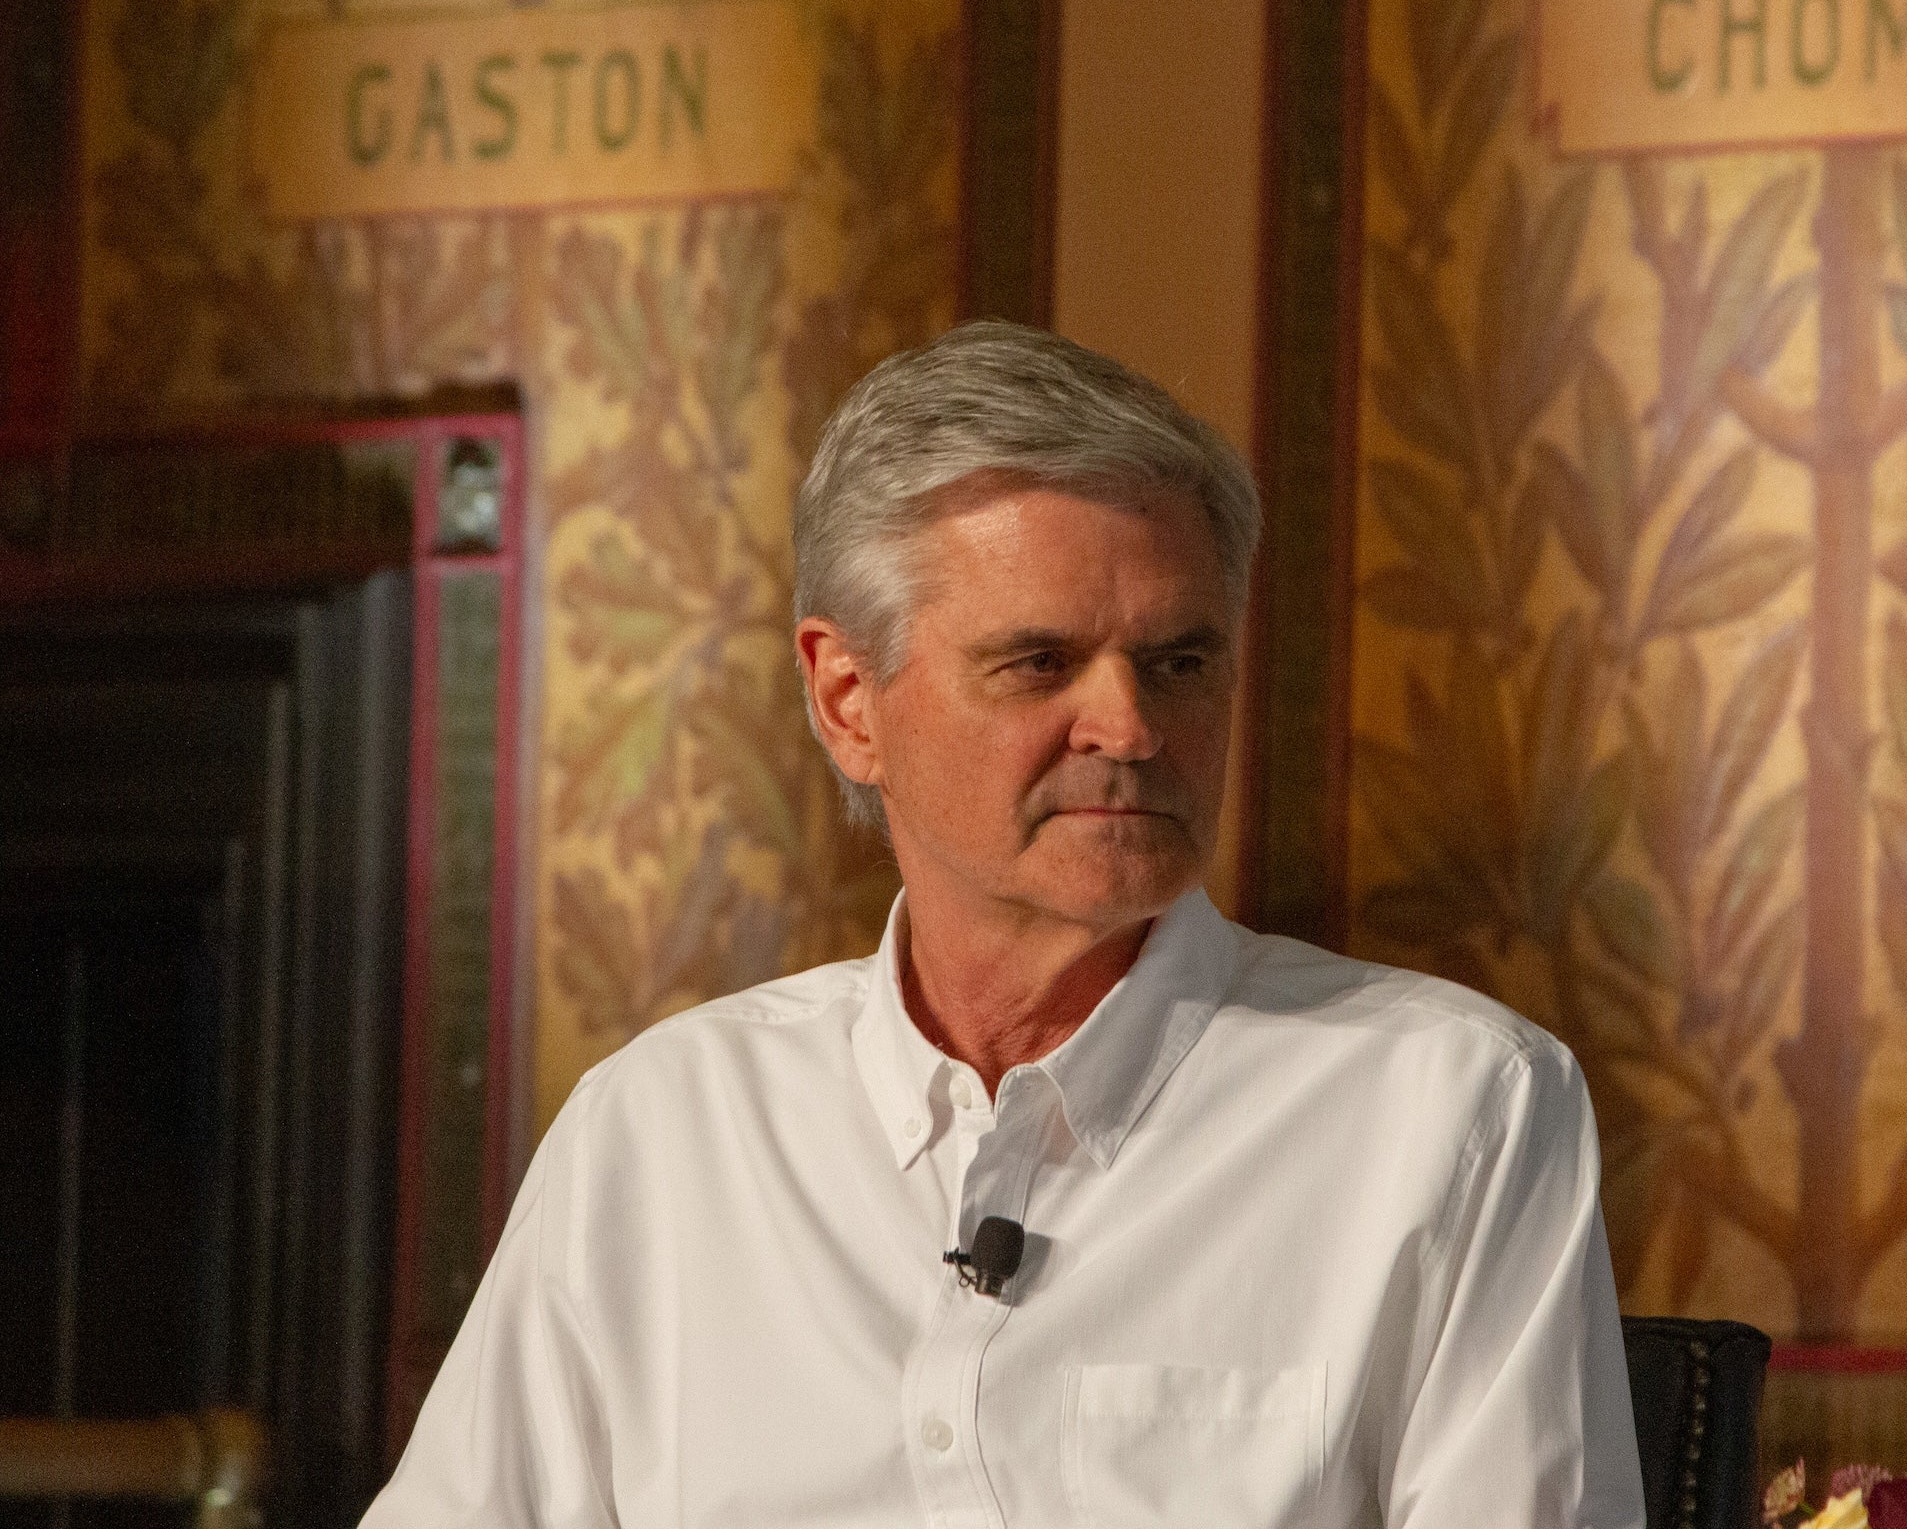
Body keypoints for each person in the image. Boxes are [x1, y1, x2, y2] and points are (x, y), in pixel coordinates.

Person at [363, 321, 1644, 1527]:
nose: (1132, 728)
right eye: (1040, 663)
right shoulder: (659, 1132)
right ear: (849, 698)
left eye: (1181, 662)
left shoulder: (1455, 1108)